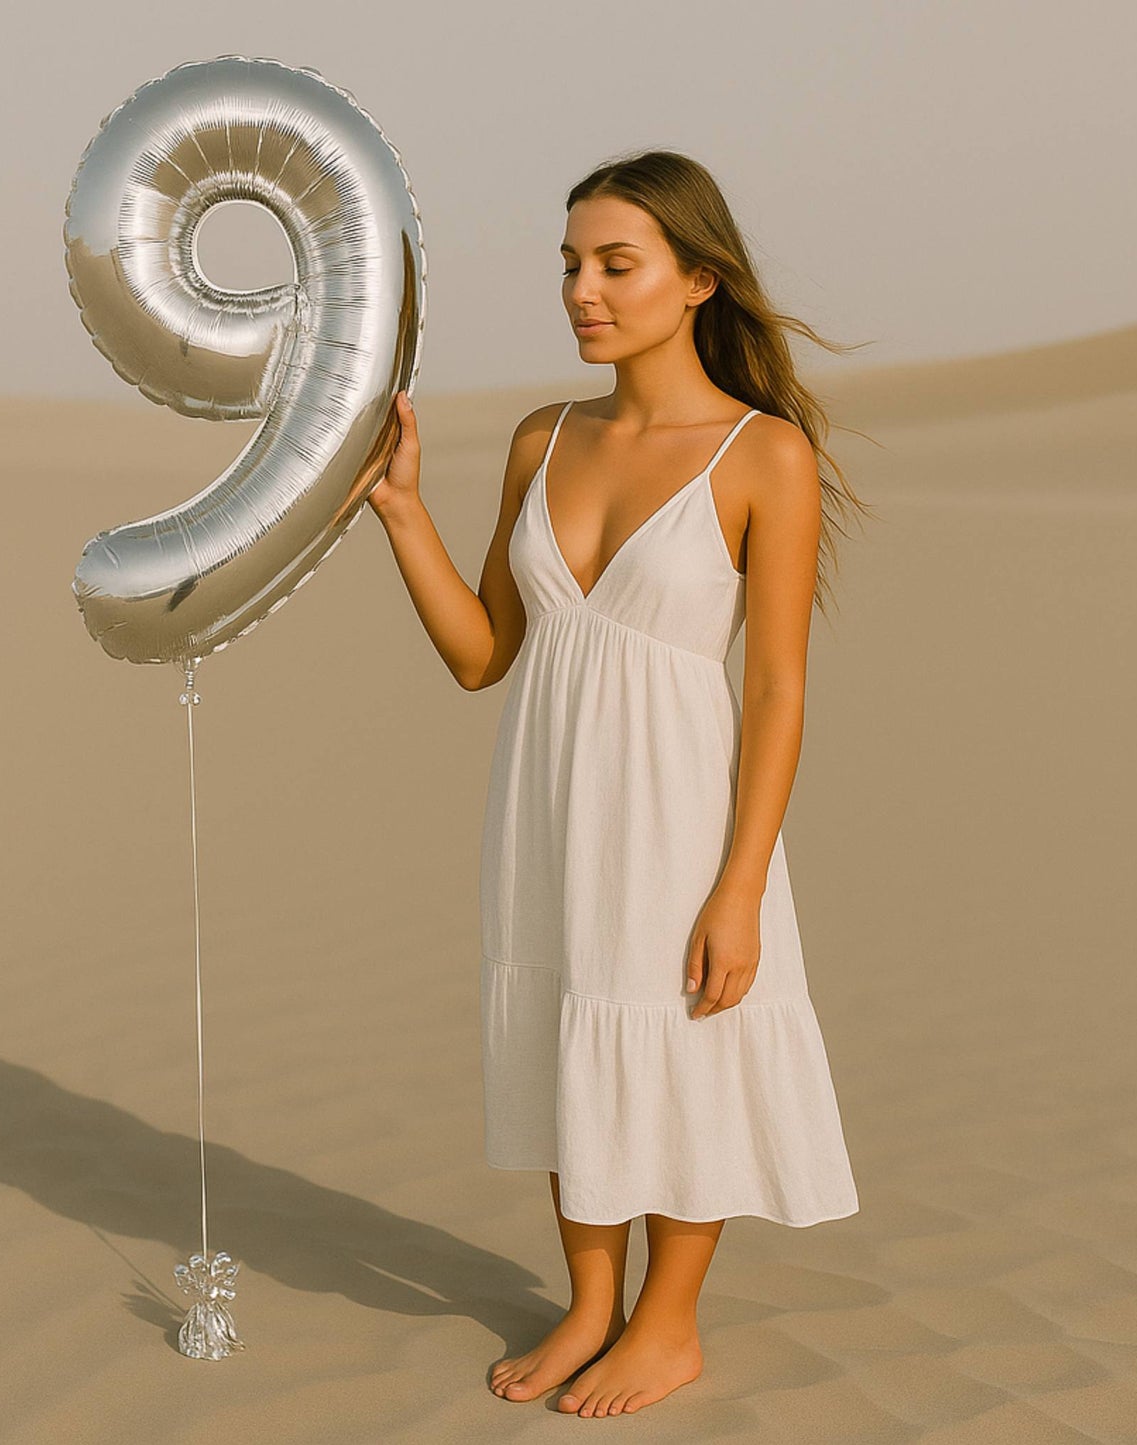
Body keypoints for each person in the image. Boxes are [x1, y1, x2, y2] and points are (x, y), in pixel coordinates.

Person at [366, 149, 874, 1418]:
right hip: (545, 809)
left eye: (613, 263)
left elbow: (774, 690)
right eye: (569, 264)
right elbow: (484, 653)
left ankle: (668, 1320)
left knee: (677, 1049)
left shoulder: (764, 457)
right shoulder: (545, 437)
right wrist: (401, 513)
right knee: (561, 1033)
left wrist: (742, 880)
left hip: (680, 817)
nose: (581, 290)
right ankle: (589, 1300)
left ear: (697, 280)